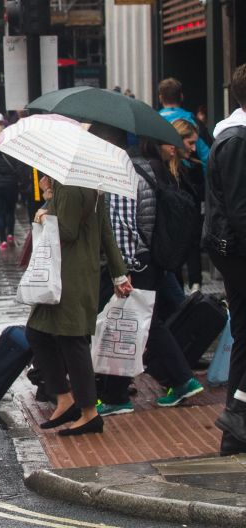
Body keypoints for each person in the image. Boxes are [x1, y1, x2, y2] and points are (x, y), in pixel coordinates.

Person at [90, 126, 202, 416]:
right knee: (134, 323)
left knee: (138, 324)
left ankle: (178, 381)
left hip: (134, 262)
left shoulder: (119, 171)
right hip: (147, 258)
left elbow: (123, 225)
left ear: (105, 142)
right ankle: (121, 393)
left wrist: (122, 270)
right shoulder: (139, 166)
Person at [26, 175, 130, 436]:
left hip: (68, 273)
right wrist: (119, 273)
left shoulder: (68, 185)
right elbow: (105, 229)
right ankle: (66, 400)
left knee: (71, 340)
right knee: (42, 332)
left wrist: (43, 213)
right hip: (81, 272)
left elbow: (68, 230)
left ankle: (88, 412)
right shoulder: (94, 183)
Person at [205, 62, 246, 456]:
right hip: (238, 254)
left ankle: (236, 430)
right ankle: (234, 428)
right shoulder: (236, 141)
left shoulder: (233, 137)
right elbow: (239, 208)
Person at [170, 119, 206, 292]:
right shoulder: (166, 172)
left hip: (189, 232)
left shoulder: (194, 167)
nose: (193, 148)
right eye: (190, 143)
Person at [158, 77, 209, 173]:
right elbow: (207, 157)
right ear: (181, 96)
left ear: (160, 98)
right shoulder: (193, 121)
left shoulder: (153, 121)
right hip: (190, 177)